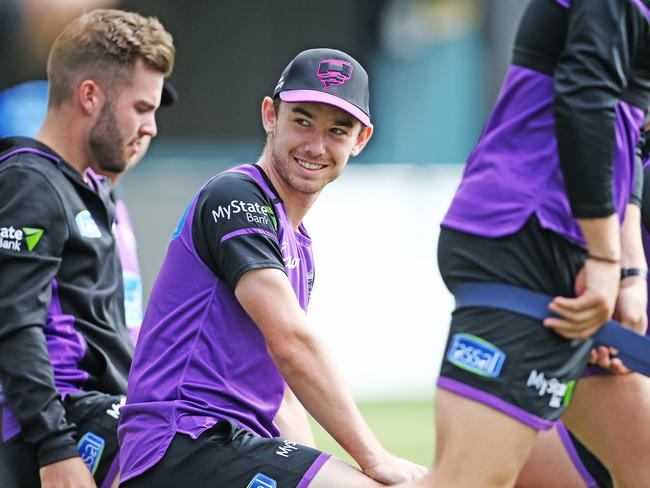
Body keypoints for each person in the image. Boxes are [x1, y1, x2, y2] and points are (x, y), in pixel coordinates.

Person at [117, 48, 427, 488]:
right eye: (302, 120)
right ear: (270, 115)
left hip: (222, 449)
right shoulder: (236, 196)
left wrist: (322, 466)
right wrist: (373, 458)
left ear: (360, 141)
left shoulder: (297, 242)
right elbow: (291, 342)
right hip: (183, 445)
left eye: (337, 130)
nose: (316, 145)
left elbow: (280, 396)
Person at [398, 0, 650, 487]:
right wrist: (603, 255)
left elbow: (630, 130)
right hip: (529, 235)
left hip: (563, 240)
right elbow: (586, 93)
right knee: (470, 480)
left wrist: (627, 270)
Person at [0, 9, 174, 488]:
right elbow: (15, 327)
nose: (152, 127)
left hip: (96, 421)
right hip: (64, 433)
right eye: (142, 108)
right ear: (90, 96)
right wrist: (55, 447)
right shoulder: (29, 182)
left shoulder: (84, 190)